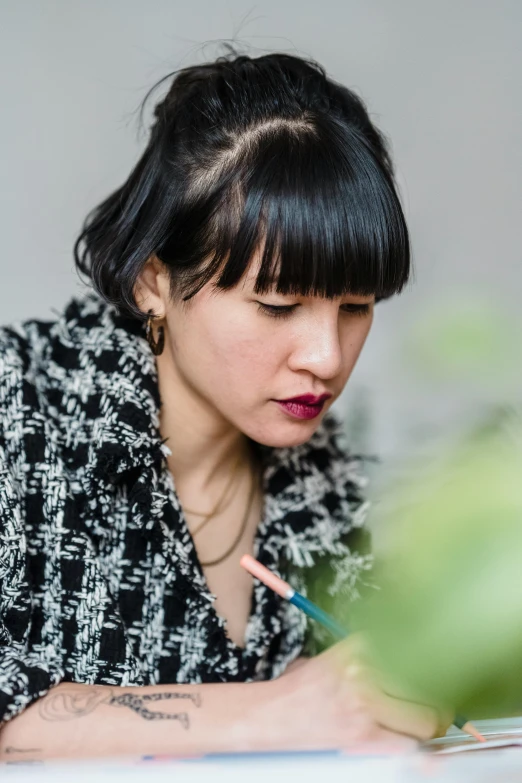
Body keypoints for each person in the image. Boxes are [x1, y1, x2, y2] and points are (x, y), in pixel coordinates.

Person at [0, 50, 446, 761]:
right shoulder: (20, 415)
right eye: (277, 306)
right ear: (152, 281)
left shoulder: (329, 480)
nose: (327, 358)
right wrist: (275, 708)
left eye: (357, 306)